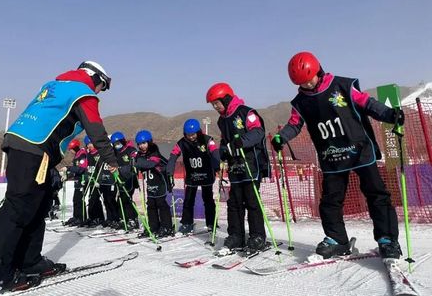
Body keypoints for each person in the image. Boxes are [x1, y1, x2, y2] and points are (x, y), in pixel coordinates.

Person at [0, 61, 118, 295]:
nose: (100, 91)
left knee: (39, 203)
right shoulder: (83, 92)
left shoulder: (55, 85)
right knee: (16, 209)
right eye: (103, 86)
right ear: (94, 77)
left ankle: (29, 260)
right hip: (33, 149)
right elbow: (96, 131)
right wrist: (113, 161)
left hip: (24, 145)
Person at [272, 51, 403, 259]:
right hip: (331, 155)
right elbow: (295, 124)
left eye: (309, 80)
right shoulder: (300, 102)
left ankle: (387, 239)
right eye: (302, 83)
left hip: (359, 149)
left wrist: (389, 114)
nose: (307, 86)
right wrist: (282, 137)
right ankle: (337, 240)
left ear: (318, 71)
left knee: (376, 193)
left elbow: (367, 104)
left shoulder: (342, 86)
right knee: (331, 200)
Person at [206, 82, 270, 251]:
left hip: (250, 165)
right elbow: (224, 141)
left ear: (226, 99)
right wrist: (222, 152)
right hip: (235, 167)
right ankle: (236, 235)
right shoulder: (222, 120)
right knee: (234, 203)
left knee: (252, 201)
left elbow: (258, 132)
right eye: (213, 105)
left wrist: (240, 142)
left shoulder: (246, 112)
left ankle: (257, 236)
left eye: (217, 103)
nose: (215, 107)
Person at [166, 119, 219, 234]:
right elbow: (173, 155)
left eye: (193, 134)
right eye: (188, 135)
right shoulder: (182, 143)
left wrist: (217, 165)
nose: (191, 137)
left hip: (206, 175)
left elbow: (215, 152)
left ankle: (211, 222)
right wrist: (169, 171)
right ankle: (186, 223)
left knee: (208, 200)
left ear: (198, 132)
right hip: (192, 176)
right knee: (188, 200)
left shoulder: (207, 140)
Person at [133, 130, 173, 238]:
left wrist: (137, 162)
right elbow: (140, 164)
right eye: (140, 144)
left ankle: (167, 227)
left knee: (161, 205)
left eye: (144, 143)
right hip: (150, 184)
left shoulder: (154, 152)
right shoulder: (141, 155)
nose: (142, 146)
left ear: (149, 142)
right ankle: (153, 227)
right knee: (151, 206)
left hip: (160, 183)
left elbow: (150, 163)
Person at [110, 131, 139, 230]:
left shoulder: (130, 149)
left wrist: (122, 169)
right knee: (121, 200)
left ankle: (133, 219)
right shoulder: (115, 152)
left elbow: (133, 162)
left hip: (130, 178)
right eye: (115, 144)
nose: (117, 145)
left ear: (123, 141)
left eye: (118, 143)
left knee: (127, 199)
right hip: (120, 178)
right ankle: (123, 219)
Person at [81, 136, 106, 227]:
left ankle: (99, 218)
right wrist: (84, 179)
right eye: (88, 144)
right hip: (91, 181)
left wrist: (99, 180)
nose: (89, 146)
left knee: (94, 200)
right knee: (91, 199)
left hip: (98, 182)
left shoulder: (98, 154)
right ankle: (92, 217)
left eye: (90, 144)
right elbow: (86, 169)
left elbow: (101, 169)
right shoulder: (89, 155)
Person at [62, 139, 87, 226]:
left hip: (82, 180)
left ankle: (81, 217)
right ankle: (76, 216)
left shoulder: (82, 154)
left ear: (76, 147)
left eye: (72, 149)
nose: (71, 151)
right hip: (77, 181)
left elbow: (82, 168)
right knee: (75, 200)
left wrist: (68, 168)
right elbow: (75, 170)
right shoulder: (76, 156)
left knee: (79, 200)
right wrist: (67, 176)